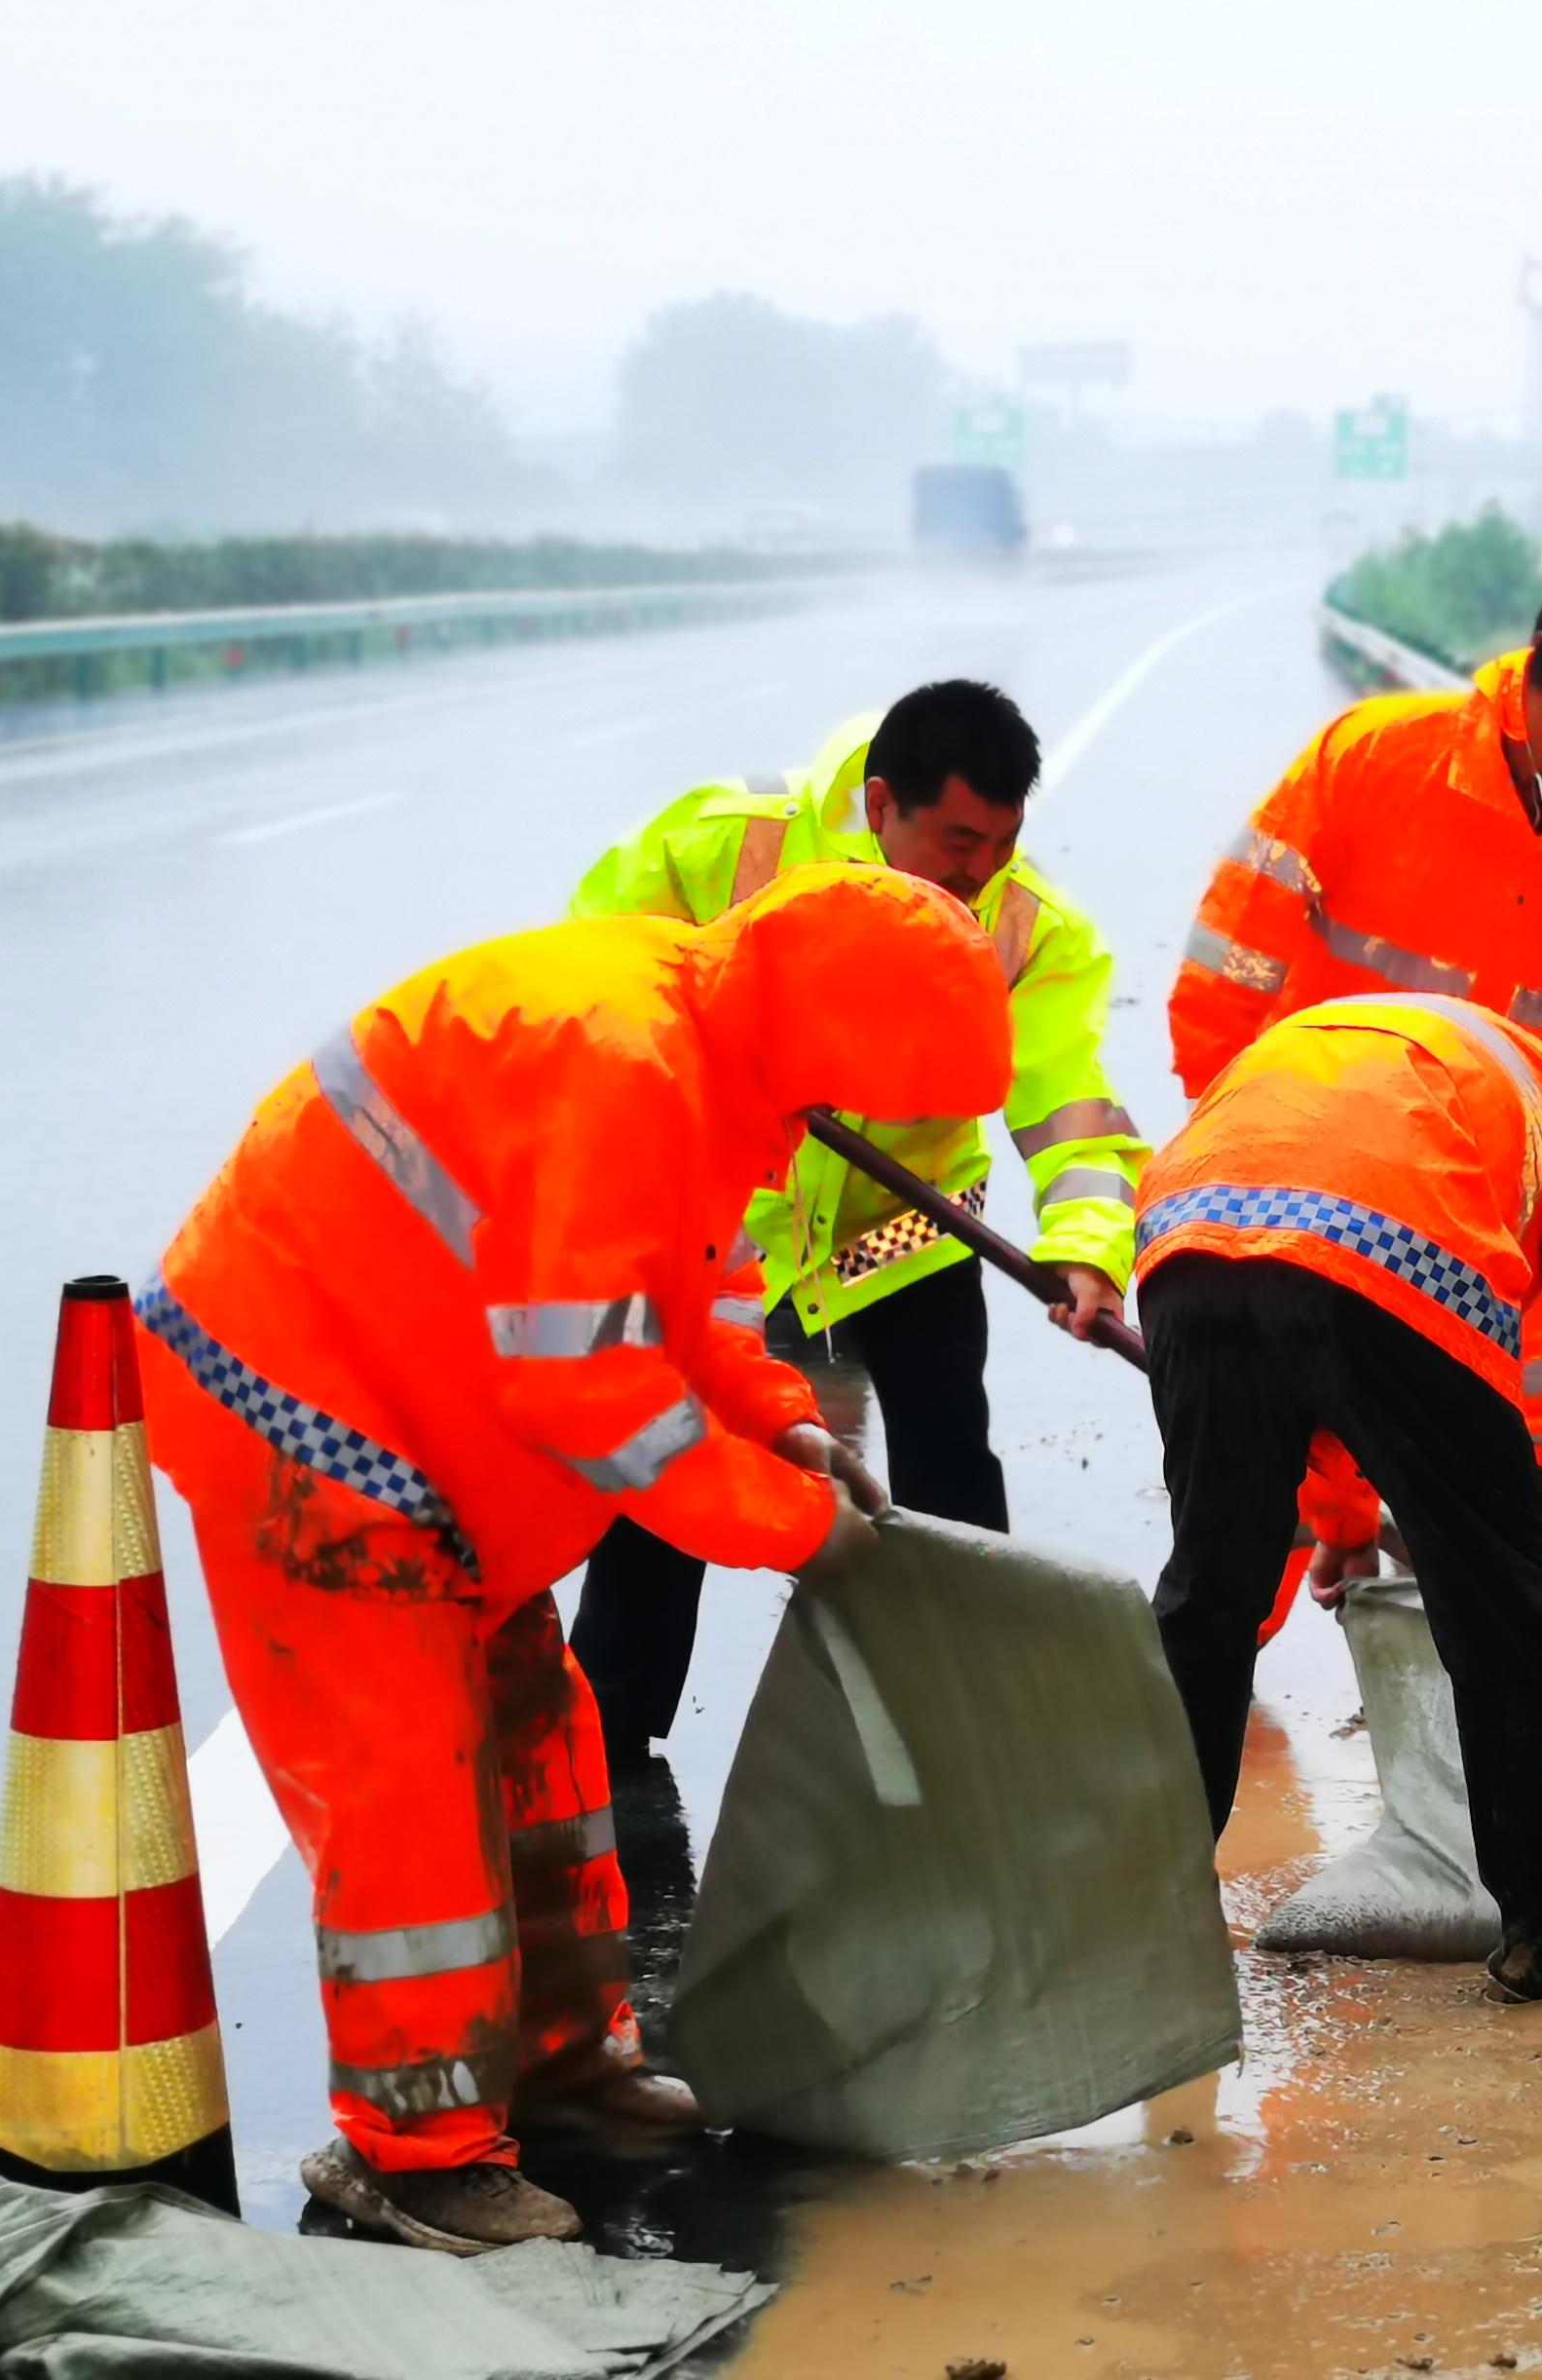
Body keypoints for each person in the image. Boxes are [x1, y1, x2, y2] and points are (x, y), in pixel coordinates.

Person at [132, 868, 1009, 2254]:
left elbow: (696, 1299)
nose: (855, 1119)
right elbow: (591, 1390)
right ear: (832, 1032)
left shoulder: (720, 1063)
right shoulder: (625, 1064)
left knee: (541, 1751)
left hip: (421, 1419)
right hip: (309, 1422)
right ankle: (414, 2154)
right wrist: (796, 1526)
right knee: (413, 1792)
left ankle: (558, 2074)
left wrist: (781, 1423)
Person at [564, 679, 1148, 1752]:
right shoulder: (723, 844)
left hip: (904, 1235)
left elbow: (1073, 1109)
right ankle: (610, 1734)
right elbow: (597, 994)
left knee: (948, 1468)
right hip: (727, 1225)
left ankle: (967, 1712)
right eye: (958, 842)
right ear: (881, 804)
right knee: (671, 1458)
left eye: (1002, 844)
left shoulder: (1025, 924)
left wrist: (1087, 1252)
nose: (979, 873)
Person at [1133, 993, 1542, 2002]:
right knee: (1503, 1612)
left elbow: (1308, 1351)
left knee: (1209, 1600)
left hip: (1187, 1238)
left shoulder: (1373, 1044)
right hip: (1394, 1244)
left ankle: (1141, 1926)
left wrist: (1343, 1524)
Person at [1172, 580, 1542, 1538]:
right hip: (1322, 1186)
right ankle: (1265, 1620)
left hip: (1502, 1236)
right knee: (1279, 1493)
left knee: (1519, 1530)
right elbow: (1234, 951)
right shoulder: (1374, 759)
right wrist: (1236, 1138)